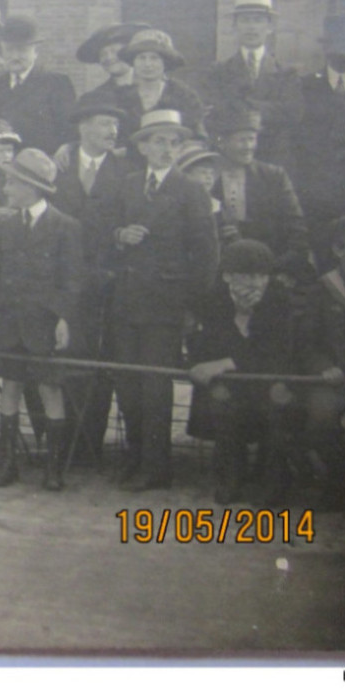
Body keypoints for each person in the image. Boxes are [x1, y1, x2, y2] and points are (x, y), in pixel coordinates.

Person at [97, 108, 220, 490]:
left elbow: (207, 256)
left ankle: (157, 466)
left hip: (165, 305)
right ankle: (135, 457)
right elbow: (101, 233)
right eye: (159, 141)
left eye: (174, 142)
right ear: (143, 147)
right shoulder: (129, 185)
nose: (167, 149)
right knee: (128, 385)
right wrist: (119, 236)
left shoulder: (191, 191)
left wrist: (191, 307)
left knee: (155, 387)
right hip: (127, 301)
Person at [0, 149, 84, 490]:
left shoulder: (66, 227)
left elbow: (72, 279)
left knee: (50, 388)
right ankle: (6, 463)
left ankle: (54, 468)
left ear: (31, 188)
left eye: (11, 183)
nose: (6, 189)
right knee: (10, 385)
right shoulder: (5, 226)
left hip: (44, 323)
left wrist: (64, 318)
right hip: (8, 322)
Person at [186, 239, 298, 505]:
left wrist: (228, 359)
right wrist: (240, 319)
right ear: (227, 276)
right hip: (231, 383)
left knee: (276, 404)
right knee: (222, 401)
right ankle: (231, 476)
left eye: (262, 275)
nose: (256, 283)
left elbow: (278, 353)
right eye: (247, 275)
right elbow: (203, 351)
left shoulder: (280, 301)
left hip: (270, 378)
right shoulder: (212, 301)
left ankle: (273, 479)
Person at [51, 98, 132, 464]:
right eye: (103, 123)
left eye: (115, 125)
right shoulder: (59, 166)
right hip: (65, 279)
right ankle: (60, 441)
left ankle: (89, 444)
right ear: (82, 128)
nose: (111, 131)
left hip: (108, 281)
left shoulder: (126, 168)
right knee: (65, 354)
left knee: (101, 359)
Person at [297, 214, 345, 509]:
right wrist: (323, 368)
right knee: (321, 418)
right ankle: (341, 480)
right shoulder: (321, 290)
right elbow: (306, 342)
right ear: (339, 250)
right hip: (330, 377)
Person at [296, 12, 345, 267]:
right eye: (341, 45)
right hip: (318, 195)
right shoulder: (305, 87)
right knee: (322, 261)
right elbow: (298, 143)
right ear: (327, 48)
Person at [200, 0, 304, 171]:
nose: (251, 27)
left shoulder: (286, 74)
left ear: (269, 27)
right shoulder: (218, 72)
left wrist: (243, 104)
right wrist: (267, 108)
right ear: (235, 26)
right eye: (245, 20)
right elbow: (216, 114)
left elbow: (291, 114)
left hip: (273, 158)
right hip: (230, 159)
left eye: (258, 20)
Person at [209, 105, 311, 280]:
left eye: (252, 139)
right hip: (219, 270)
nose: (248, 146)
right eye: (241, 140)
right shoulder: (207, 177)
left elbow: (297, 230)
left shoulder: (274, 176)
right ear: (221, 142)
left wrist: (275, 268)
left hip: (270, 268)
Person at [0, 16, 76, 155]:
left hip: (45, 166)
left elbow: (70, 132)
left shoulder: (56, 84)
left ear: (35, 52)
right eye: (9, 50)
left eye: (22, 50)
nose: (15, 56)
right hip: (6, 166)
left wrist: (66, 148)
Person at [115, 27, 208, 147]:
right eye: (141, 58)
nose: (147, 64)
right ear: (133, 62)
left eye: (154, 58)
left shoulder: (183, 95)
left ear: (165, 62)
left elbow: (198, 138)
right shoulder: (120, 96)